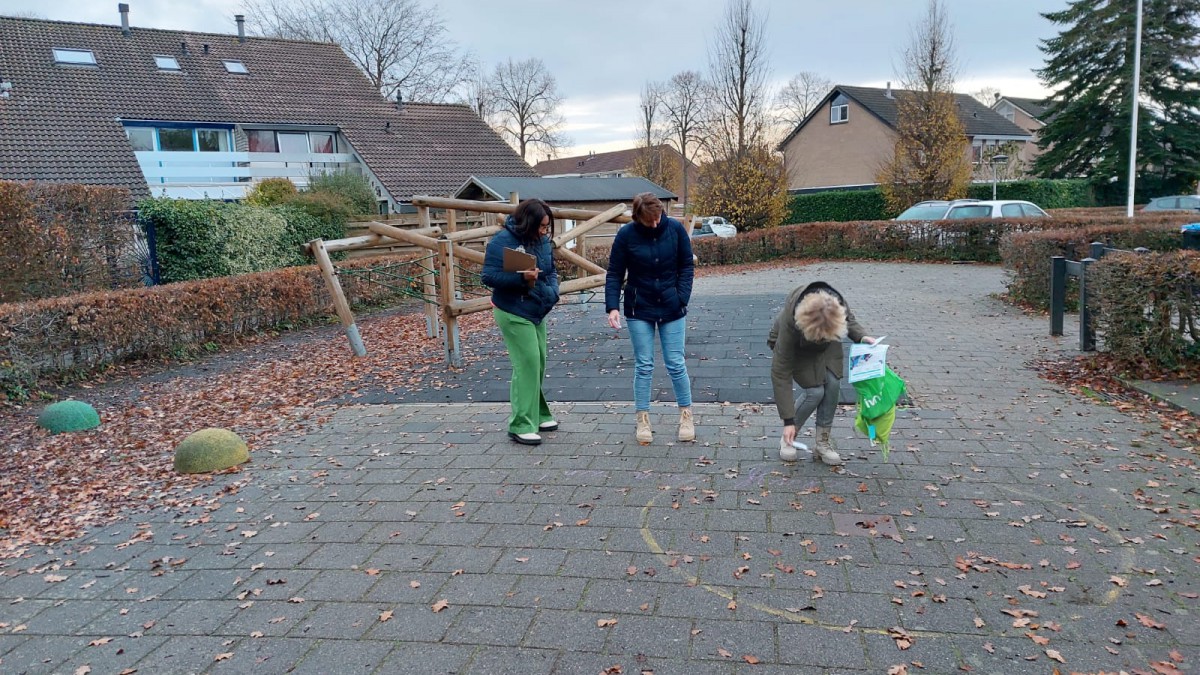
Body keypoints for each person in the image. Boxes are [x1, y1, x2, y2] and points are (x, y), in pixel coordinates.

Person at [605, 192, 695, 445]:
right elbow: (614, 273)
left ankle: (686, 415)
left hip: (672, 305)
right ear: (637, 218)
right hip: (639, 306)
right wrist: (612, 307)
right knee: (644, 365)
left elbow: (686, 266)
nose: (655, 224)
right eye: (649, 221)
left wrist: (681, 297)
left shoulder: (675, 230)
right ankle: (642, 418)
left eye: (657, 218)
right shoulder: (626, 235)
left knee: (676, 363)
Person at [768, 282, 876, 465]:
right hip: (799, 346)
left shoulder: (835, 302)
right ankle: (789, 437)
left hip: (829, 340)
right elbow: (780, 373)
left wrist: (862, 337)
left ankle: (822, 443)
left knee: (833, 384)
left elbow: (849, 320)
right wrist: (788, 421)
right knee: (815, 391)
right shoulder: (790, 324)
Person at [481, 198, 560, 445]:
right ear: (529, 222)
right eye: (541, 226)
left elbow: (552, 271)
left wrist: (553, 291)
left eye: (547, 226)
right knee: (527, 362)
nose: (544, 231)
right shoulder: (502, 242)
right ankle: (520, 423)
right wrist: (520, 278)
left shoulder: (543, 241)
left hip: (537, 308)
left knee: (538, 361)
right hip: (513, 310)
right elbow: (488, 277)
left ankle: (539, 414)